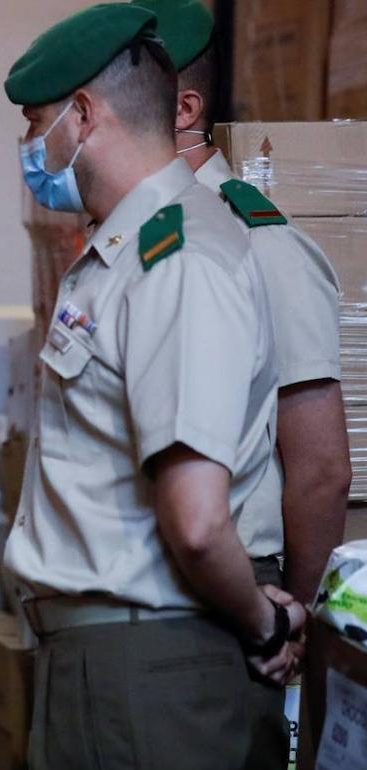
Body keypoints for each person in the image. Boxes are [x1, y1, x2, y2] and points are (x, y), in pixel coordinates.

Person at [0, 6, 304, 769]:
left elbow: (197, 522)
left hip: (153, 665)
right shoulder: (129, 248)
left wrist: (265, 626)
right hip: (115, 656)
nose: (28, 146)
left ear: (83, 114)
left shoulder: (181, 258)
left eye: (35, 123)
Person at [135, 0, 350, 605]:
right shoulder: (148, 237)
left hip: (232, 589)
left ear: (185, 109)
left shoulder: (257, 243)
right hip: (144, 582)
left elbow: (321, 470)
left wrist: (299, 621)